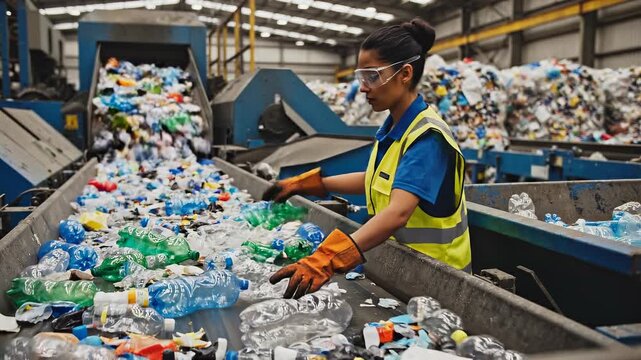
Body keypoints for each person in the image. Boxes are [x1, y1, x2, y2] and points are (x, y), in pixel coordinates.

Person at [264, 17, 472, 299]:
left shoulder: (428, 137)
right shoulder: (395, 129)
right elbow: (373, 180)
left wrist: (328, 257)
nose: (363, 88)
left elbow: (398, 212)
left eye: (372, 76)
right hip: (409, 276)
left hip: (441, 285)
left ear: (405, 73)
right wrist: (308, 184)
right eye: (361, 77)